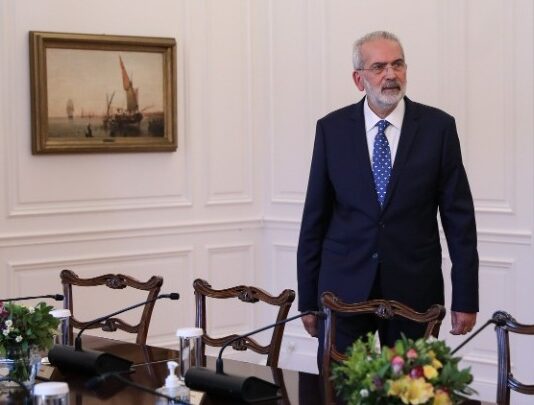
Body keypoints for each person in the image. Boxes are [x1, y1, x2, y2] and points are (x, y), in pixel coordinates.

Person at [296, 31, 479, 358]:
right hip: (343, 291)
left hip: (414, 291)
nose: (391, 74)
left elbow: (459, 221)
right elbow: (315, 219)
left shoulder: (438, 128)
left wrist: (465, 298)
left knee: (410, 383)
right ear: (359, 79)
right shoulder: (331, 129)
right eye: (379, 67)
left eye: (398, 64)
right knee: (342, 383)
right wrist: (308, 301)